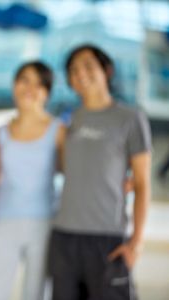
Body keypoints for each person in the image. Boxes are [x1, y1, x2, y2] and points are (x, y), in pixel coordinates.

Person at [49, 44, 152, 300]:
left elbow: (142, 183)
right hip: (65, 236)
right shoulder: (66, 121)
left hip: (108, 238)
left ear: (107, 70)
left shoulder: (130, 118)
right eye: (73, 70)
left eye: (88, 66)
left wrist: (136, 242)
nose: (80, 73)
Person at [0, 61, 65, 300]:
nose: (30, 88)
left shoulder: (59, 131)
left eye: (39, 83)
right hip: (4, 222)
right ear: (14, 85)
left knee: (37, 294)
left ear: (47, 92)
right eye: (24, 80)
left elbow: (76, 173)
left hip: (45, 223)